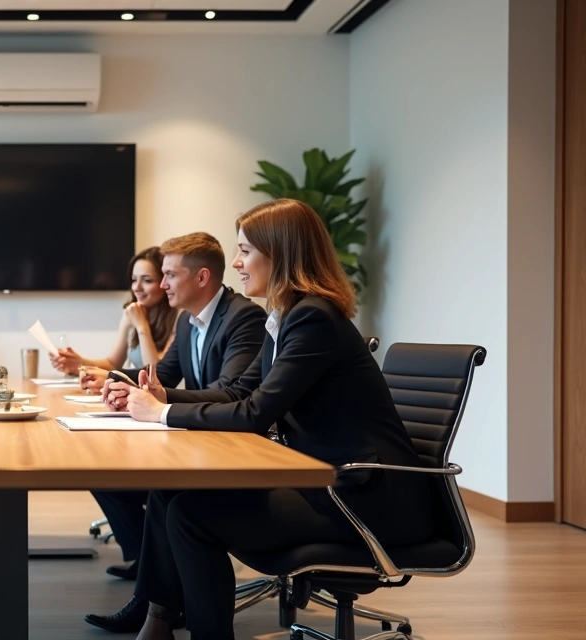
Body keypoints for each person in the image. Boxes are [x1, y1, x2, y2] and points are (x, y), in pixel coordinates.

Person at [101, 198, 434, 640]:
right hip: (320, 480)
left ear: (281, 254)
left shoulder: (313, 319)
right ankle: (158, 620)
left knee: (190, 515)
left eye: (246, 251)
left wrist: (161, 413)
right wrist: (163, 396)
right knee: (171, 491)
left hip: (358, 497)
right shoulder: (288, 316)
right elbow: (241, 392)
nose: (236, 263)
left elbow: (256, 413)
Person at [81, 232, 266, 634]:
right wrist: (121, 385)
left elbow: (235, 393)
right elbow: (160, 378)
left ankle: (153, 613)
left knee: (171, 496)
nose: (161, 286)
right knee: (157, 487)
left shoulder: (243, 318)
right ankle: (155, 612)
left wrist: (158, 403)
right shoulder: (188, 321)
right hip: (203, 440)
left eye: (169, 275)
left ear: (201, 278)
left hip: (237, 449)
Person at [49, 247, 179, 374]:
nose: (137, 287)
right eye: (134, 280)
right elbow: (112, 364)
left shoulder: (179, 318)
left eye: (147, 280)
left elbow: (157, 374)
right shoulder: (131, 312)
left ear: (164, 282)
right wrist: (79, 362)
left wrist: (141, 326)